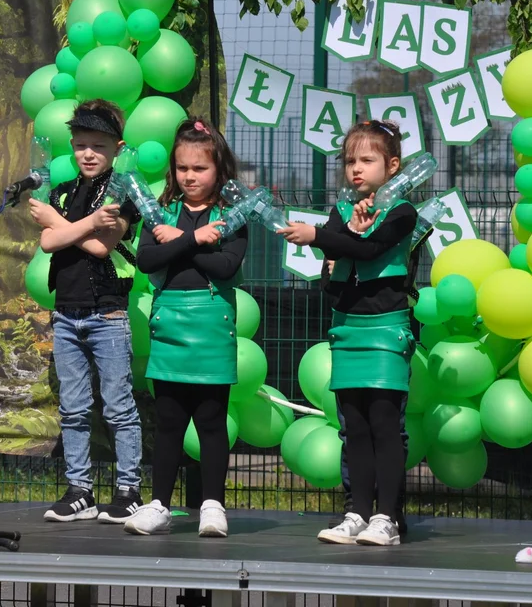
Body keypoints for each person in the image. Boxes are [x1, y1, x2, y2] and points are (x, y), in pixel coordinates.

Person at [280, 120, 417, 547]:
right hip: (347, 328)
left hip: (385, 329)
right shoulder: (342, 210)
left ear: (392, 165)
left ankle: (388, 517)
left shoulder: (402, 211)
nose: (356, 169)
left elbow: (368, 250)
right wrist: (339, 237)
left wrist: (324, 237)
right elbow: (333, 270)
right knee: (353, 425)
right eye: (349, 161)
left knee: (384, 423)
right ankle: (356, 511)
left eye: (367, 160)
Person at [125, 118, 247, 538]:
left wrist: (178, 243)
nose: (189, 176)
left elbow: (226, 268)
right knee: (170, 421)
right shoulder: (161, 212)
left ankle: (213, 505)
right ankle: (158, 504)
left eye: (200, 168)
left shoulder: (232, 216)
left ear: (219, 169)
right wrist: (194, 240)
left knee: (212, 421)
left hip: (211, 330)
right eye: (182, 168)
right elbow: (147, 261)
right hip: (170, 327)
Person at [28, 99, 144, 524]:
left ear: (117, 146)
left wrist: (59, 223)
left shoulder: (124, 193)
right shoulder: (61, 192)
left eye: (98, 145)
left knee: (118, 405)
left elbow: (100, 247)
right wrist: (77, 223)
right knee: (73, 408)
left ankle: (128, 488)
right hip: (66, 313)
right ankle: (80, 489)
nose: (88, 153)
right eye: (80, 145)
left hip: (107, 314)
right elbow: (47, 245)